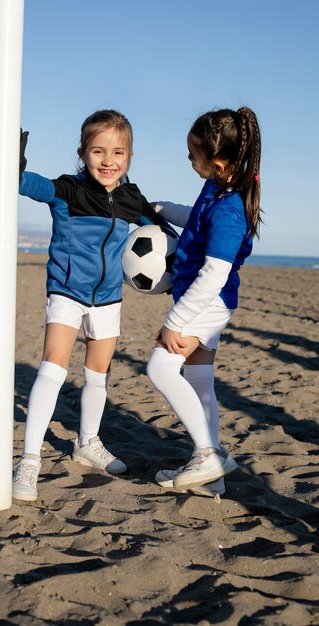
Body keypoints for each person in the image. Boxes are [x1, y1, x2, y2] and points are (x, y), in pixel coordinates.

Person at [13, 109, 160, 501]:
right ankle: (29, 460)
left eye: (118, 153)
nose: (108, 161)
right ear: (82, 153)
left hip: (109, 298)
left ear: (129, 157)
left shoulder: (131, 198)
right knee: (52, 369)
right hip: (66, 291)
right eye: (98, 151)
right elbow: (26, 184)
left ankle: (87, 443)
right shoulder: (69, 191)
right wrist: (13, 159)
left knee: (98, 375)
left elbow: (161, 232)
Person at [147, 107, 262, 497]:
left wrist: (176, 322)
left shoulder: (231, 208)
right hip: (207, 301)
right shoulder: (218, 187)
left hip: (206, 303)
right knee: (199, 381)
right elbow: (197, 218)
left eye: (192, 155)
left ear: (215, 163)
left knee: (160, 368)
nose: (188, 160)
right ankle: (211, 477)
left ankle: (208, 453)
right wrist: (160, 210)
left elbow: (214, 273)